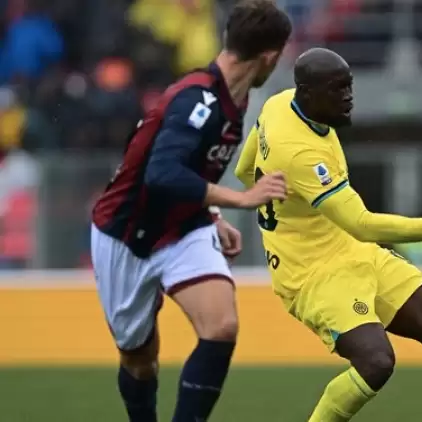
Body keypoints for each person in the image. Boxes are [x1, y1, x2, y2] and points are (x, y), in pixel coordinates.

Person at [235, 47, 422, 422]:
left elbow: (246, 170)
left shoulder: (277, 105)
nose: (348, 97)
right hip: (314, 273)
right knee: (376, 362)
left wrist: (275, 208)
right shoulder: (303, 155)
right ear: (308, 93)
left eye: (349, 86)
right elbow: (362, 223)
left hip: (353, 251)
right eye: (337, 89)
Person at [89, 2, 291, 421]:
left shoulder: (235, 98)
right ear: (270, 56)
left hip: (183, 228)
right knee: (139, 360)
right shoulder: (197, 99)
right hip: (126, 234)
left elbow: (188, 167)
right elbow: (161, 174)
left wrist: (212, 215)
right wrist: (240, 199)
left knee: (221, 326)